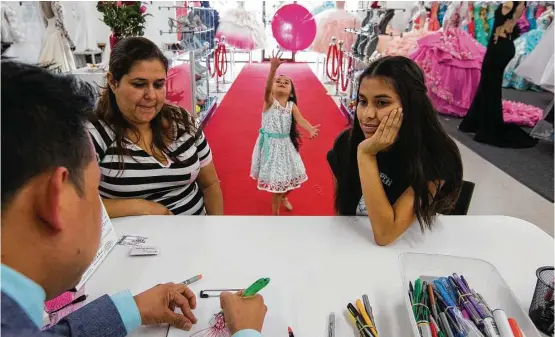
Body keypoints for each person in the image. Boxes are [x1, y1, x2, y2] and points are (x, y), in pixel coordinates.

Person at [1, 60, 267, 337]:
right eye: (93, 190)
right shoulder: (98, 134)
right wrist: (247, 333)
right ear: (56, 200)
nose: (150, 95)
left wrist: (131, 308)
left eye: (158, 84)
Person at [327, 56, 463, 246]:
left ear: (410, 105)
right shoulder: (346, 143)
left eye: (382, 103)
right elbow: (343, 214)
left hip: (410, 249)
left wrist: (366, 155)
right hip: (353, 245)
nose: (367, 115)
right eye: (363, 101)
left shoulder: (435, 155)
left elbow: (385, 234)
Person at [88, 37, 223, 217]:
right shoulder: (93, 134)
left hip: (197, 236)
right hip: (134, 243)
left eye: (158, 84)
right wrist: (141, 207)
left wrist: (216, 231)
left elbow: (210, 184)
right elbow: (74, 206)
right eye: (139, 84)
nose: (151, 95)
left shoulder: (182, 121)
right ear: (113, 82)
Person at [250, 51, 320, 215]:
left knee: (296, 176)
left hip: (285, 145)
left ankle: (284, 196)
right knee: (277, 182)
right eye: (278, 81)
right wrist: (272, 70)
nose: (281, 82)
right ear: (272, 88)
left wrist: (309, 128)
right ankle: (275, 214)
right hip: (270, 146)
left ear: (292, 92)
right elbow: (267, 88)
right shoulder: (269, 103)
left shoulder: (291, 106)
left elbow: (301, 119)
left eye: (286, 82)